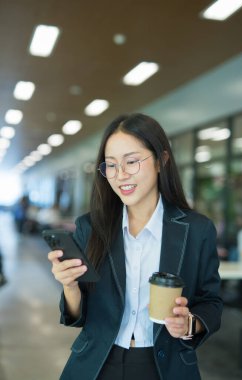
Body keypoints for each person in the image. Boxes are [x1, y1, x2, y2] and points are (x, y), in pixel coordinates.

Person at [48, 113, 223, 380]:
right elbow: (78, 317)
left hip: (166, 366)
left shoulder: (197, 230)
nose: (121, 175)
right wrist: (69, 286)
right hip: (97, 365)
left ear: (161, 161)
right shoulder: (91, 226)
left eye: (131, 162)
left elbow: (211, 302)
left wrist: (190, 323)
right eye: (111, 165)